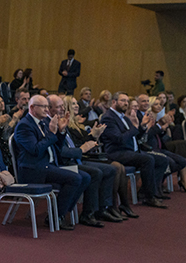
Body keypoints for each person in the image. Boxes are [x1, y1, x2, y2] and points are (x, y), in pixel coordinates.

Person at [13, 95, 91, 230]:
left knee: (85, 177)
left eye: (47, 106)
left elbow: (56, 148)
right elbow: (35, 150)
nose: (46, 109)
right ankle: (55, 216)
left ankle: (62, 212)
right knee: (75, 179)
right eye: (43, 107)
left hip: (48, 166)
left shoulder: (42, 123)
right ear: (32, 108)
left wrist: (60, 132)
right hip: (33, 170)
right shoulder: (24, 126)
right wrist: (51, 134)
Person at [47, 95, 118, 227]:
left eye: (62, 106)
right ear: (49, 108)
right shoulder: (52, 124)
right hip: (65, 162)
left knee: (110, 169)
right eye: (59, 106)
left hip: (75, 159)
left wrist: (91, 138)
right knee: (95, 173)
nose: (62, 109)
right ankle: (88, 213)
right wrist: (82, 149)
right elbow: (61, 151)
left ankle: (103, 208)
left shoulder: (63, 122)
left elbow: (73, 145)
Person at [100, 92, 169, 208]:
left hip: (130, 151)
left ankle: (146, 191)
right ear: (114, 102)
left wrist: (142, 127)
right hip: (117, 152)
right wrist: (135, 128)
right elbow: (119, 139)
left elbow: (135, 136)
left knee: (162, 160)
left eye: (127, 101)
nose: (126, 103)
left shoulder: (124, 118)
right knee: (148, 159)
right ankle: (149, 197)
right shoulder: (108, 118)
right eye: (122, 101)